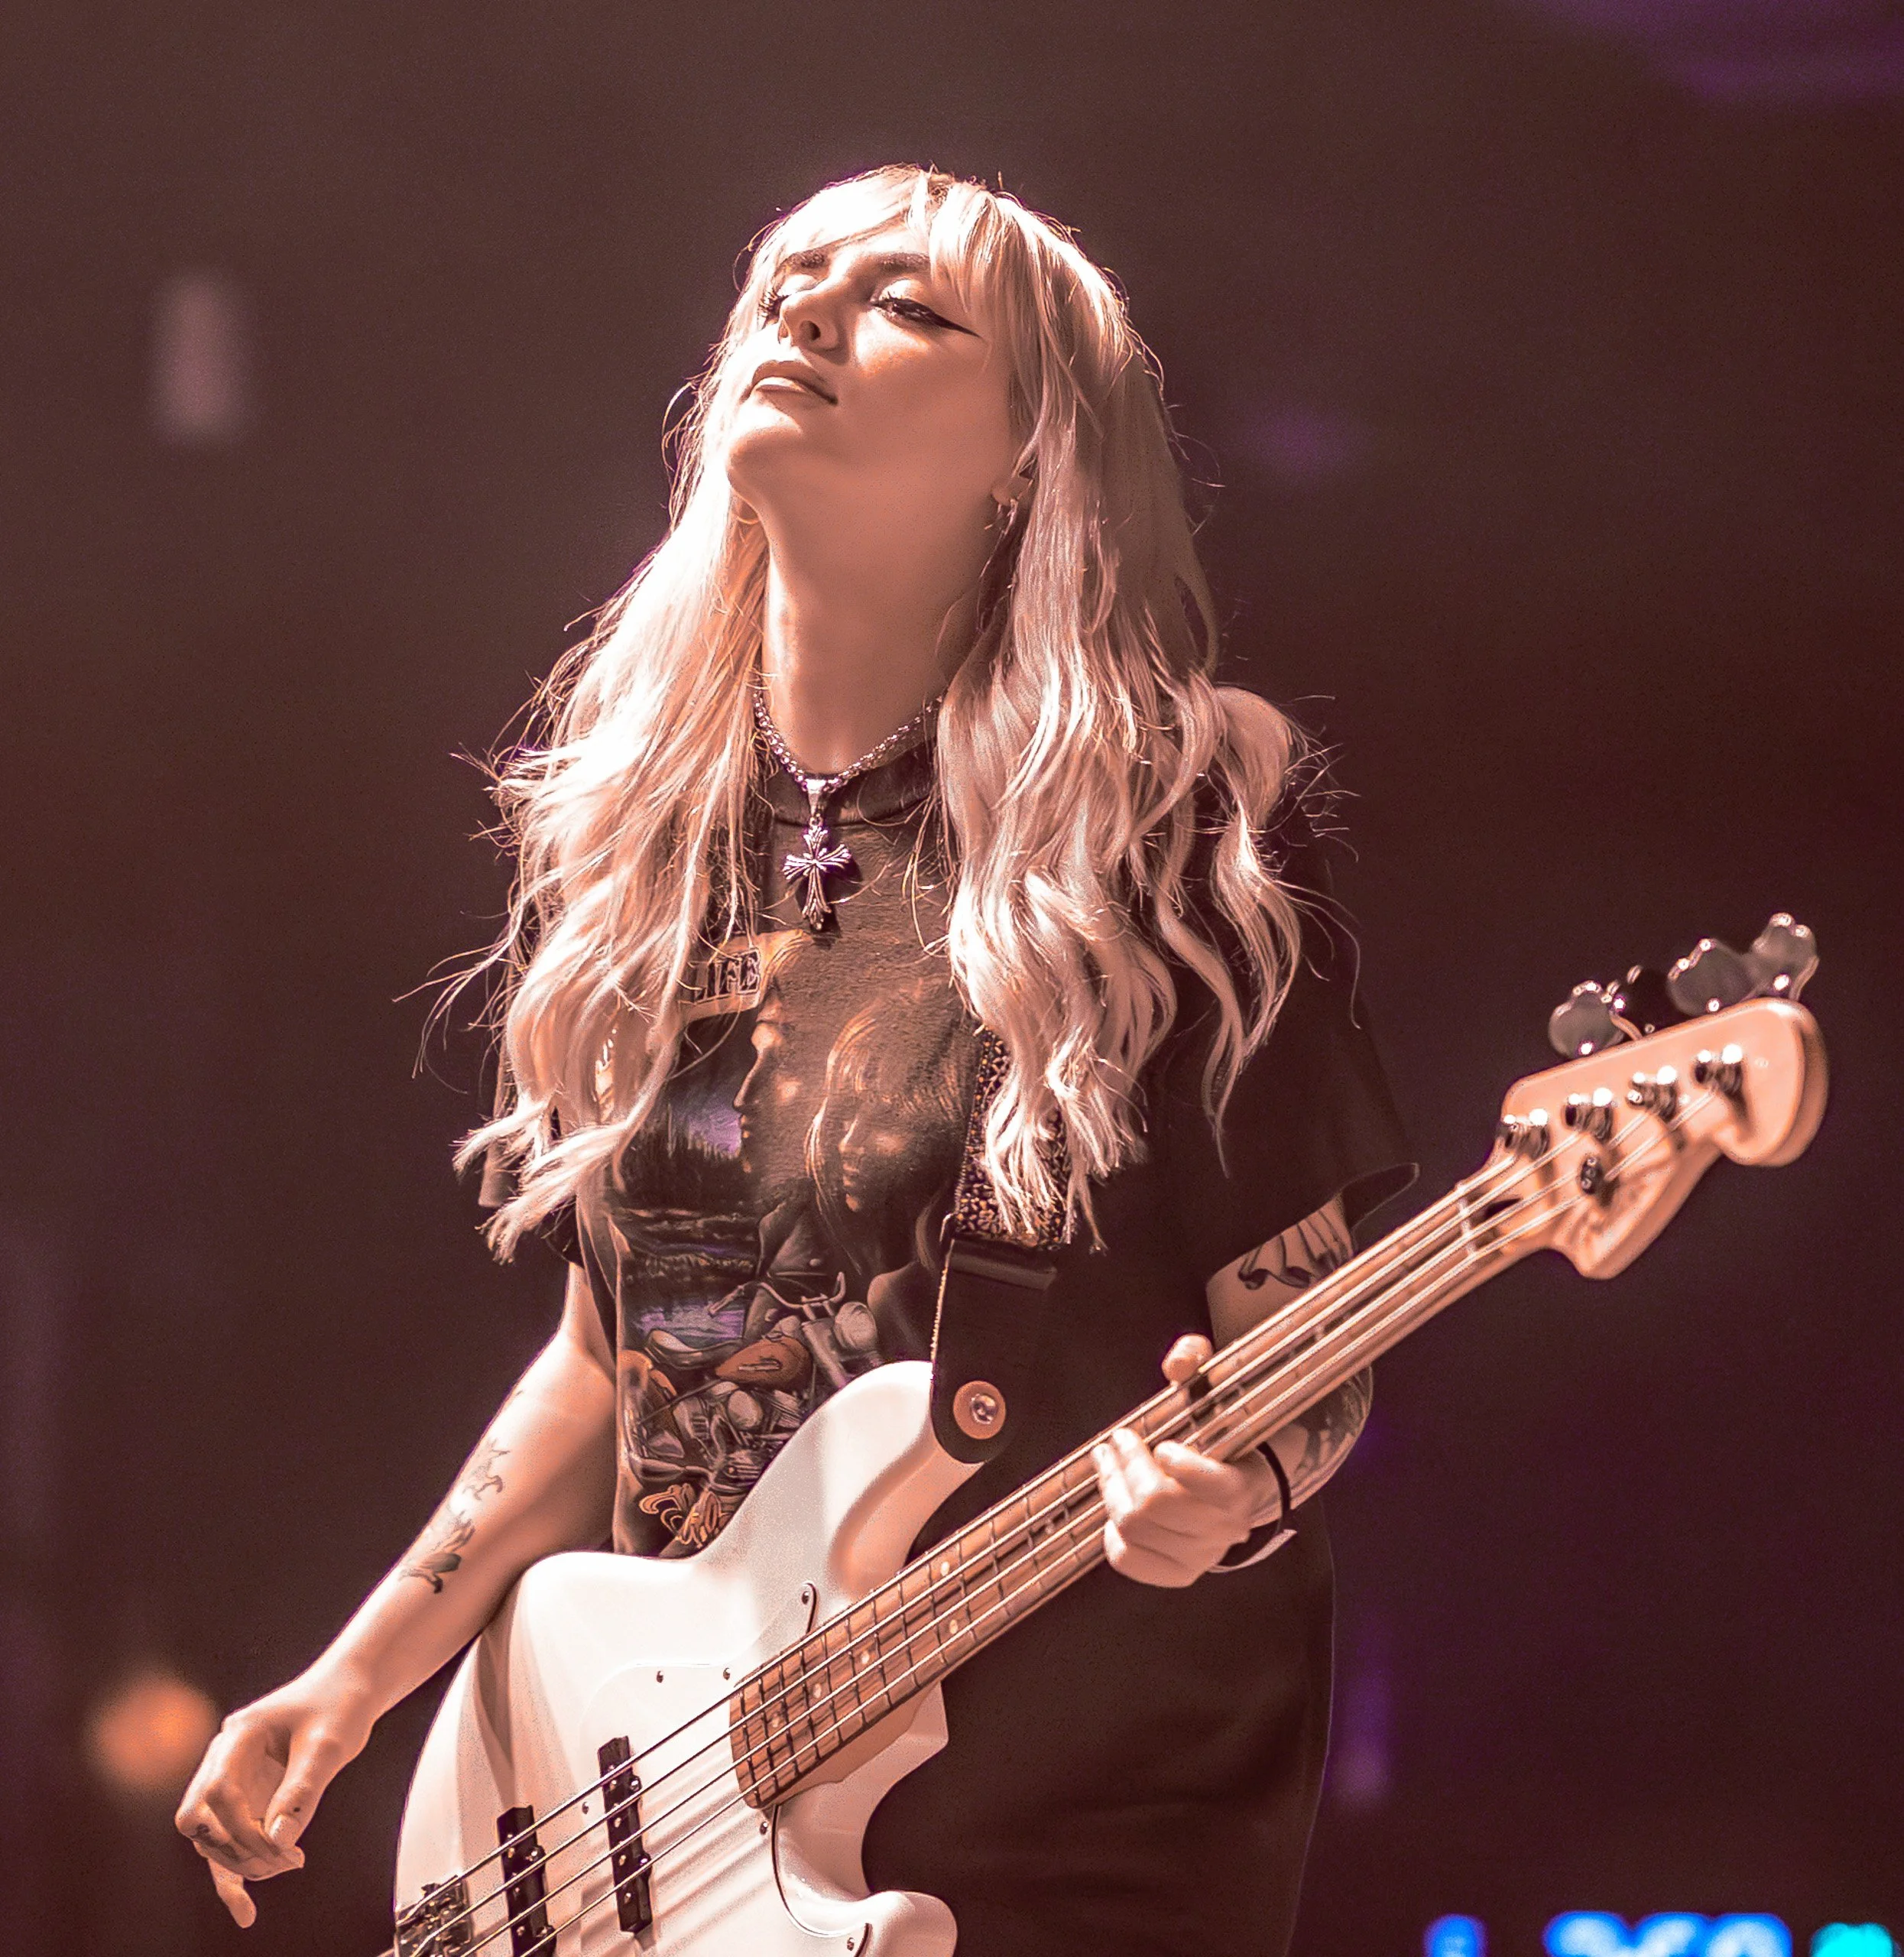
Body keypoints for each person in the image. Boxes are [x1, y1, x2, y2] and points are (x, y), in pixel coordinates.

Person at [175, 165, 1410, 1955]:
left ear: (1029, 462)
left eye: (908, 306)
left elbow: (1311, 1314)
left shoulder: (1165, 847)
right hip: (676, 1812)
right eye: (788, 283)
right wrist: (357, 1679)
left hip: (1061, 1824)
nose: (812, 314)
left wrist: (1241, 1492)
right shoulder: (665, 843)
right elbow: (620, 1336)